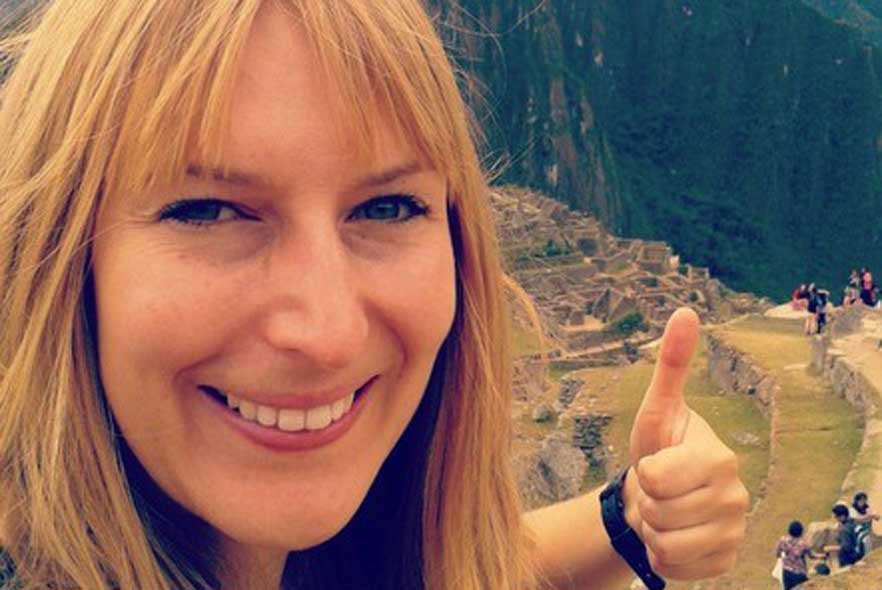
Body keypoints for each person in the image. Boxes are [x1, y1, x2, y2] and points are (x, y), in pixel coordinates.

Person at [0, 2, 748, 589]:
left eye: (387, 207)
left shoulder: (322, 553)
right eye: (207, 211)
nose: (325, 332)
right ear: (56, 257)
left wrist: (628, 516)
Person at [774, 521, 821, 590]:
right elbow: (812, 556)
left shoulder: (783, 540)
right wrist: (822, 555)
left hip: (786, 572)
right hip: (799, 574)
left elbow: (777, 554)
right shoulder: (803, 544)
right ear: (801, 532)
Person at [829, 504, 862, 568]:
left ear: (842, 516)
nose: (835, 518)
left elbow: (846, 547)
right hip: (857, 554)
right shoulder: (852, 522)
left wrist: (830, 548)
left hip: (848, 559)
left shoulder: (844, 530)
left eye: (836, 516)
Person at [850, 492, 880, 557]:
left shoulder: (867, 508)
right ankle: (866, 557)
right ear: (856, 501)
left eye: (864, 500)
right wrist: (870, 516)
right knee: (866, 541)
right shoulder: (852, 510)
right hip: (857, 532)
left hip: (868, 531)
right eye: (860, 500)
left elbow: (877, 517)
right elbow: (858, 519)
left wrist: (875, 516)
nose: (862, 502)